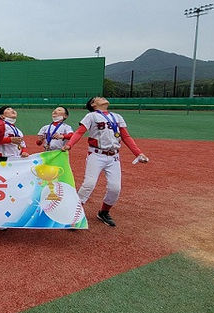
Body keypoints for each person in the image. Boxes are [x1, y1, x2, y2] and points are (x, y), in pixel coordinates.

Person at [62, 96, 149, 227]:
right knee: (89, 184)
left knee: (115, 188)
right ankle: (75, 213)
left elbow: (125, 136)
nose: (102, 98)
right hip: (96, 155)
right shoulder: (91, 116)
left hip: (114, 157)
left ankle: (103, 212)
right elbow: (79, 132)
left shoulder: (117, 117)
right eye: (98, 98)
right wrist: (69, 145)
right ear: (93, 104)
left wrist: (138, 153)